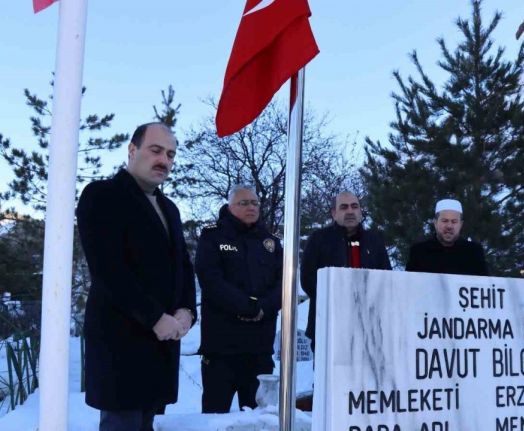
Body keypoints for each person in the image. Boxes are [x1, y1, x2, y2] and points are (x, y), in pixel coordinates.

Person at [77, 122, 197, 431]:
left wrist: (187, 311)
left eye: (171, 155)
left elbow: (183, 264)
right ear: (132, 151)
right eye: (156, 151)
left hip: (160, 348)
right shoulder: (102, 195)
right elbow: (108, 269)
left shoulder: (169, 208)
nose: (164, 161)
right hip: (122, 344)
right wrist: (155, 317)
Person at [195, 185, 283, 412]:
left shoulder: (271, 242)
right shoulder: (212, 236)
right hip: (222, 348)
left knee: (260, 418)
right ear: (230, 206)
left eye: (254, 203)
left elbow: (283, 285)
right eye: (244, 203)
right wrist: (248, 307)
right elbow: (211, 280)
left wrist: (263, 307)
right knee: (215, 417)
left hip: (259, 348)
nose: (251, 207)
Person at [301, 191, 391, 352]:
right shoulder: (319, 239)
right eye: (344, 207)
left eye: (354, 206)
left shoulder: (374, 241)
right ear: (334, 213)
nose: (350, 211)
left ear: (360, 211)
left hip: (368, 325)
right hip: (328, 323)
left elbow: (386, 279)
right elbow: (308, 280)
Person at [406, 198, 489, 276]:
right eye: (445, 221)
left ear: (461, 224)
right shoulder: (419, 251)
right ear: (435, 223)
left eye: (454, 222)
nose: (449, 226)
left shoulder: (474, 252)